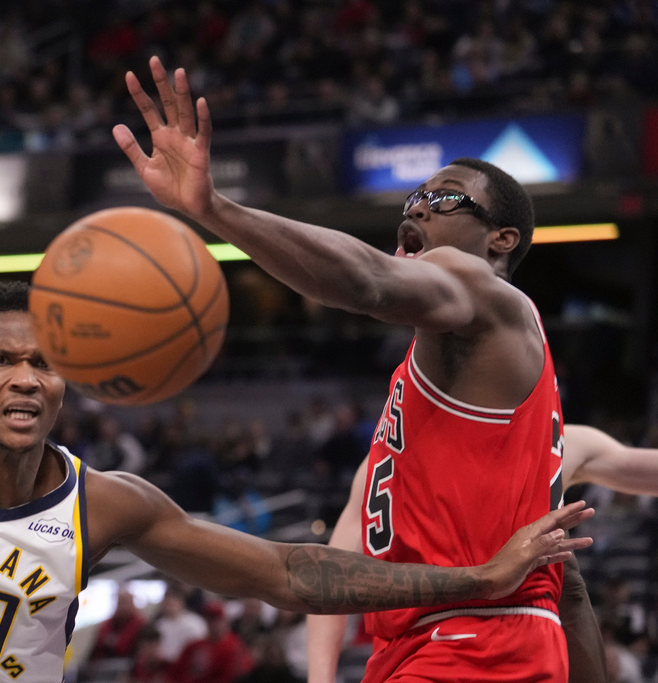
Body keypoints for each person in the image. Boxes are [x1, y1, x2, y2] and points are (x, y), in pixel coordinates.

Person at [0, 51, 592, 683]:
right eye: (1, 359)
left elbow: (286, 573)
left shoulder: (105, 502)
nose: (27, 376)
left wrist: (474, 581)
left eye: (44, 358)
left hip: (466, 638)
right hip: (437, 639)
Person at [113, 55, 584, 681]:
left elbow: (367, 280)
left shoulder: (486, 293)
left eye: (442, 198)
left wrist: (216, 211)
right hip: (432, 639)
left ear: (500, 240)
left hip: (475, 638)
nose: (416, 210)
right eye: (413, 197)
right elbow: (569, 591)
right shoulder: (445, 386)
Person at [308, 423, 658, 683]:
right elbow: (332, 581)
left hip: (517, 646)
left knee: (571, 584)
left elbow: (329, 583)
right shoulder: (387, 456)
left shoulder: (552, 439)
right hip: (426, 651)